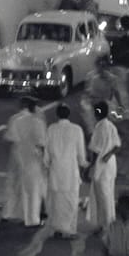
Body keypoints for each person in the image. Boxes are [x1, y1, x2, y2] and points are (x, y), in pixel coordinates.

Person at [1, 96, 47, 227]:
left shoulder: (15, 119)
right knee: (33, 189)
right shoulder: (38, 122)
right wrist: (44, 159)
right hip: (33, 158)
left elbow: (11, 138)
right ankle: (32, 219)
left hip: (18, 156)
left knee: (14, 185)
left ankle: (10, 213)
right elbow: (41, 143)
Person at [45, 102, 87, 239]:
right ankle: (69, 230)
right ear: (69, 114)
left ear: (57, 114)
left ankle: (57, 228)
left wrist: (47, 165)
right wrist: (85, 165)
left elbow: (46, 156)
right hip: (70, 172)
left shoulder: (51, 129)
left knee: (56, 202)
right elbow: (81, 156)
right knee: (71, 201)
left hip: (56, 172)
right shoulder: (76, 130)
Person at [88, 100, 121, 230]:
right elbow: (117, 145)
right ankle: (108, 222)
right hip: (111, 164)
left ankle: (105, 225)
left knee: (102, 195)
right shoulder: (111, 126)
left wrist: (90, 166)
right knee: (108, 193)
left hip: (100, 165)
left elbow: (95, 150)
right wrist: (109, 154)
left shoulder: (99, 127)